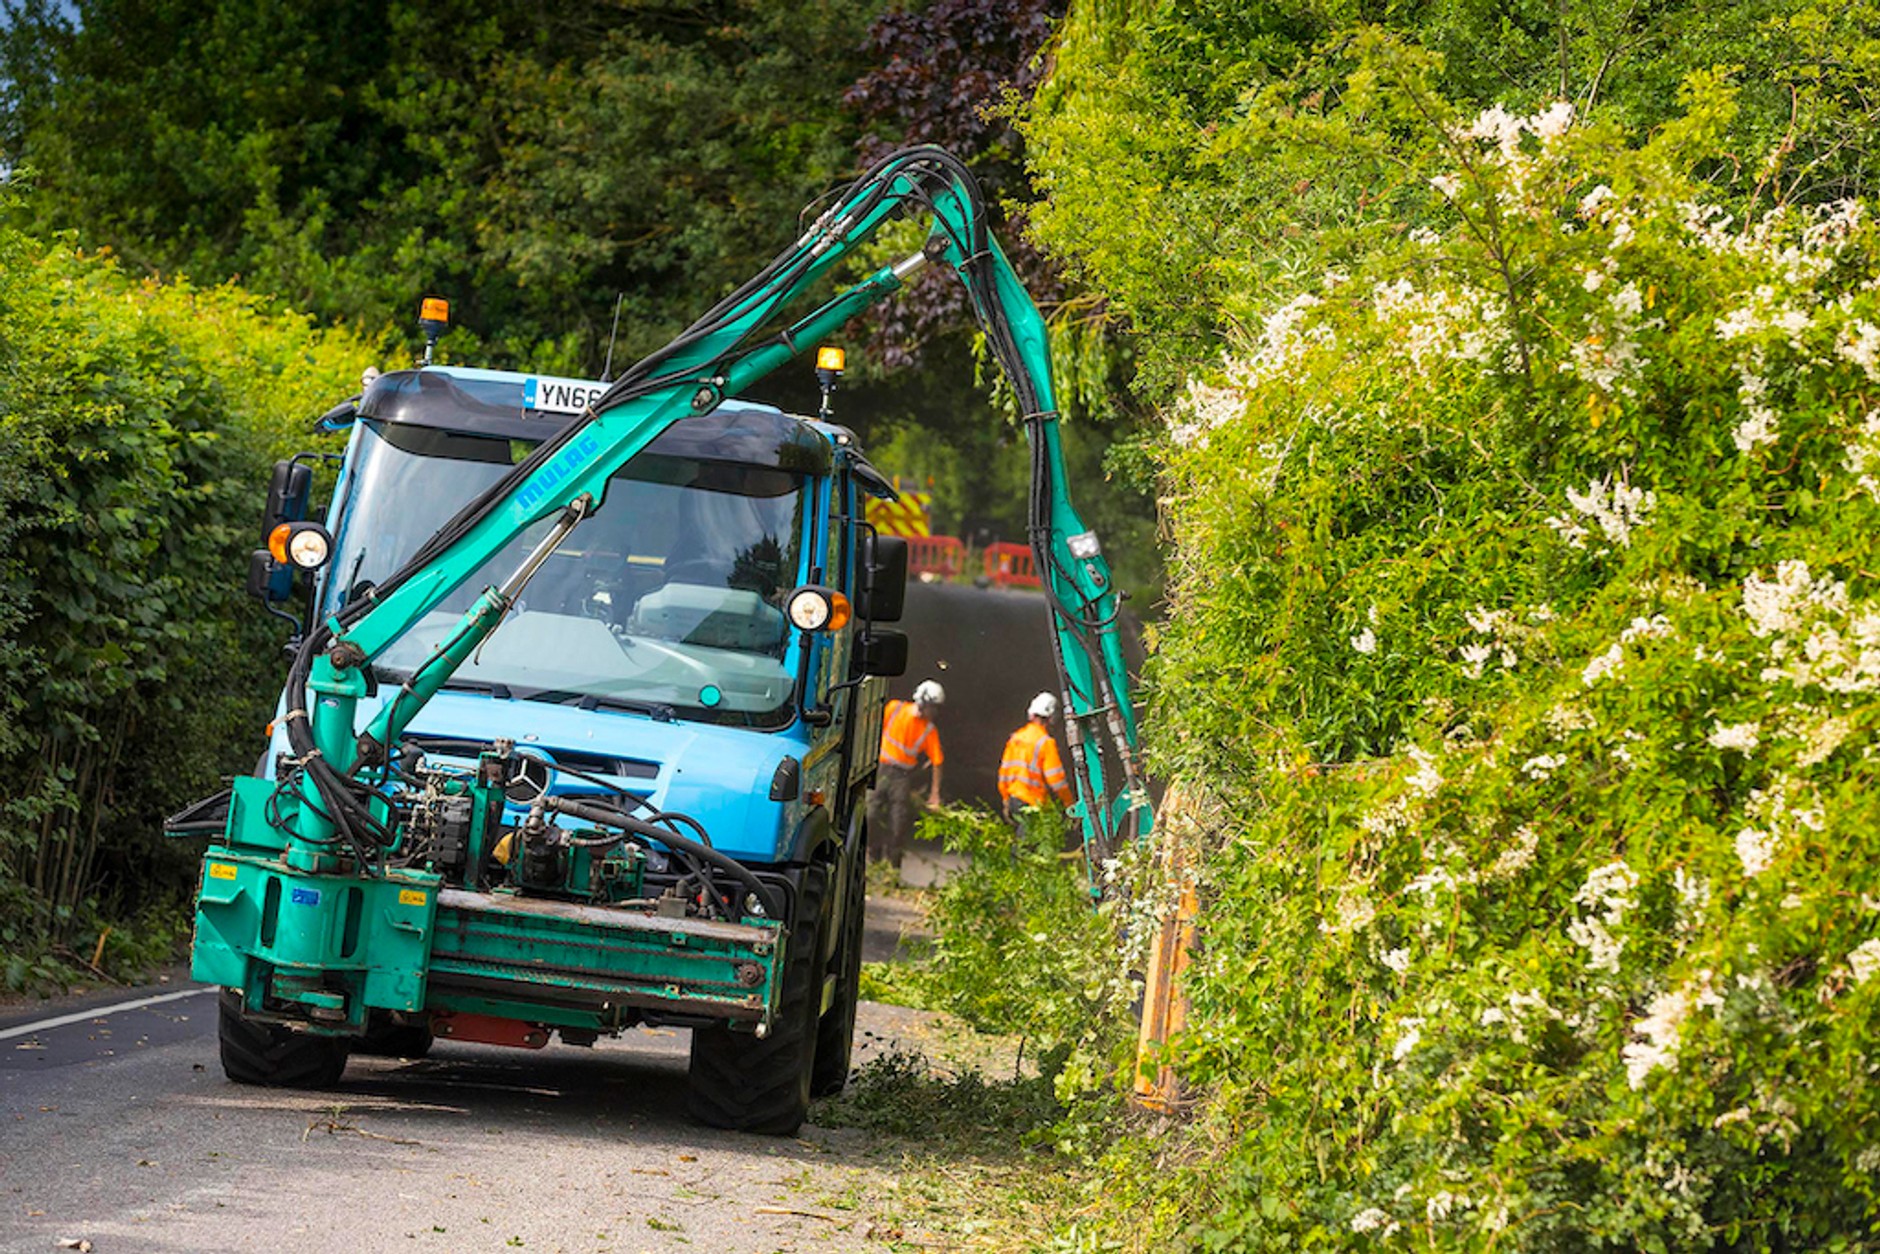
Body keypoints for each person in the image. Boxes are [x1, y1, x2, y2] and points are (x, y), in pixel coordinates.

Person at [869, 678, 945, 864]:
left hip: (902, 777)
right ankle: (874, 848)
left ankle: (893, 863)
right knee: (870, 814)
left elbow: (938, 762)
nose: (935, 712)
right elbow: (872, 729)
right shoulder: (894, 709)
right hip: (881, 770)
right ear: (923, 702)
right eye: (933, 707)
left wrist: (935, 795)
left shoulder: (928, 730)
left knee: (898, 822)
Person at [998, 691, 1072, 833]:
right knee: (1027, 847)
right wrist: (1069, 804)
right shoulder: (1045, 742)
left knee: (1024, 843)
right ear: (1052, 718)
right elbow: (1056, 780)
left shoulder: (1016, 738)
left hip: (1014, 798)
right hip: (1033, 802)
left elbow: (1004, 774)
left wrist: (1006, 798)